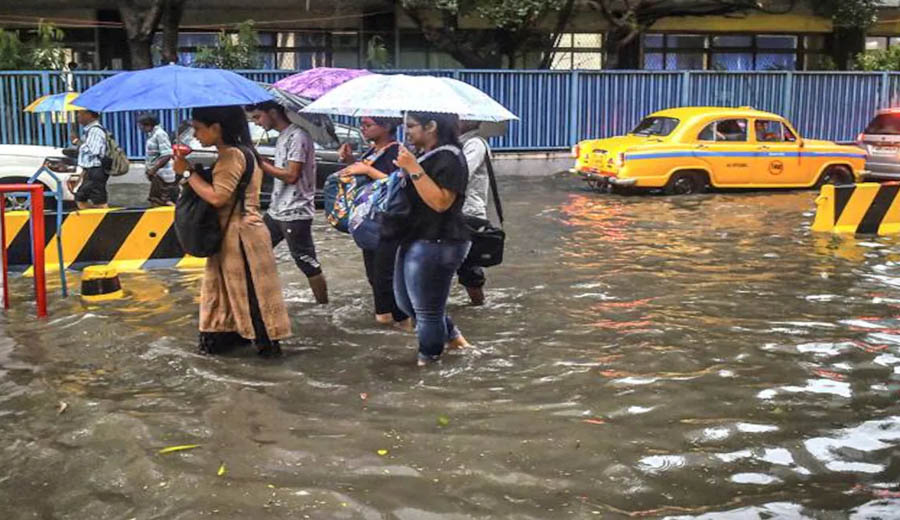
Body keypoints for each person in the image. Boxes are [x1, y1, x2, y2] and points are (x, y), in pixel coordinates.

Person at [173, 105, 292, 357]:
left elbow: (218, 197)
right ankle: (228, 346)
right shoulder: (246, 152)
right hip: (240, 233)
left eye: (197, 128)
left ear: (216, 128)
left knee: (253, 300)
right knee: (225, 293)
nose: (194, 135)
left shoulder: (231, 155)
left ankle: (269, 361)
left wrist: (186, 171)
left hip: (241, 237)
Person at [393, 112, 472, 366]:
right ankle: (456, 342)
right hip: (414, 237)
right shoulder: (425, 156)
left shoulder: (451, 158)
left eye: (412, 126)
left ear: (432, 126)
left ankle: (429, 364)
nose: (407, 132)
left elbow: (440, 202)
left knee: (426, 312)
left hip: (439, 241)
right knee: (406, 304)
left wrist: (413, 169)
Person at [247, 101, 328, 304]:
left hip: (295, 211)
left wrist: (262, 164)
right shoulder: (282, 136)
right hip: (276, 210)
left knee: (306, 261)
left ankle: (323, 306)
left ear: (273, 112)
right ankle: (259, 298)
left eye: (258, 117)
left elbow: (292, 175)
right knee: (254, 251)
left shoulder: (298, 136)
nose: (256, 123)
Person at [338, 117, 409, 327]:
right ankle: (391, 321)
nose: (363, 129)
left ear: (386, 126)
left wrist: (368, 170)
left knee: (385, 276)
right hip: (368, 220)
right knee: (374, 275)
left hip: (387, 222)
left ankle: (398, 320)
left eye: (368, 125)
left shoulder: (396, 152)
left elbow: (397, 183)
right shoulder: (372, 150)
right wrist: (351, 161)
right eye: (362, 124)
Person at [457, 121, 492, 306]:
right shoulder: (457, 143)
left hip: (469, 212)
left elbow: (461, 174)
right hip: (455, 210)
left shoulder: (475, 144)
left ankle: (478, 305)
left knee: (470, 266)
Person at [138, 113, 178, 206]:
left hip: (163, 175)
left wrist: (153, 170)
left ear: (148, 124)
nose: (140, 127)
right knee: (157, 200)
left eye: (140, 125)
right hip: (157, 175)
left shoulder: (160, 134)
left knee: (159, 201)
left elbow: (167, 154)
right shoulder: (152, 134)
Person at [72, 110, 109, 209]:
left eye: (80, 113)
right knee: (82, 197)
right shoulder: (89, 130)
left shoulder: (95, 130)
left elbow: (94, 150)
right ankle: (93, 221)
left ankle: (104, 221)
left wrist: (78, 143)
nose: (77, 116)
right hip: (90, 170)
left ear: (89, 115)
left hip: (96, 169)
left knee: (97, 200)